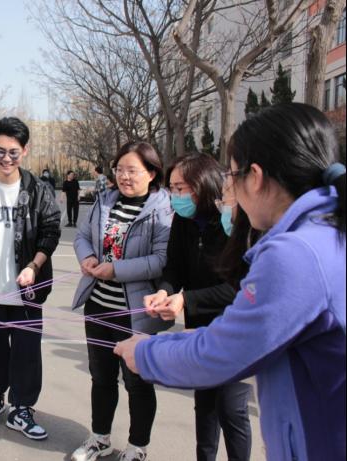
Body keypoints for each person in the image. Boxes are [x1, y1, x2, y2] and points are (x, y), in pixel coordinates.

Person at [115, 103, 346, 461]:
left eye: (233, 176)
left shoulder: (295, 254)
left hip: (321, 444)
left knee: (230, 413)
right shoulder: (327, 232)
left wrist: (144, 352)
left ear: (255, 176)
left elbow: (224, 352)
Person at [144, 153, 252, 461]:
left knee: (231, 408)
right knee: (204, 404)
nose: (175, 196)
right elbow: (175, 267)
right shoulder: (184, 220)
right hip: (199, 326)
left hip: (234, 328)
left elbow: (239, 287)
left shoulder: (232, 220)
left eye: (180, 188)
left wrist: (185, 299)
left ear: (202, 184)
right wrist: (165, 292)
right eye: (172, 188)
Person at [70, 141, 173, 461]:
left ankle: (137, 447)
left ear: (152, 173)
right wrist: (87, 257)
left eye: (133, 170)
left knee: (137, 382)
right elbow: (82, 236)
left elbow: (160, 260)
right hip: (98, 305)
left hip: (135, 312)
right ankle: (100, 438)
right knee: (101, 377)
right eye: (120, 169)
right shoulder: (104, 200)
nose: (124, 177)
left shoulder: (163, 209)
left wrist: (116, 269)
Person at [0, 116, 61, 440]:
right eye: (0, 151)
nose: (6, 159)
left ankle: (22, 408)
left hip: (27, 290)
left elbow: (50, 231)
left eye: (13, 152)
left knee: (26, 351)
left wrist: (34, 265)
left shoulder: (38, 190)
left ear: (25, 150)